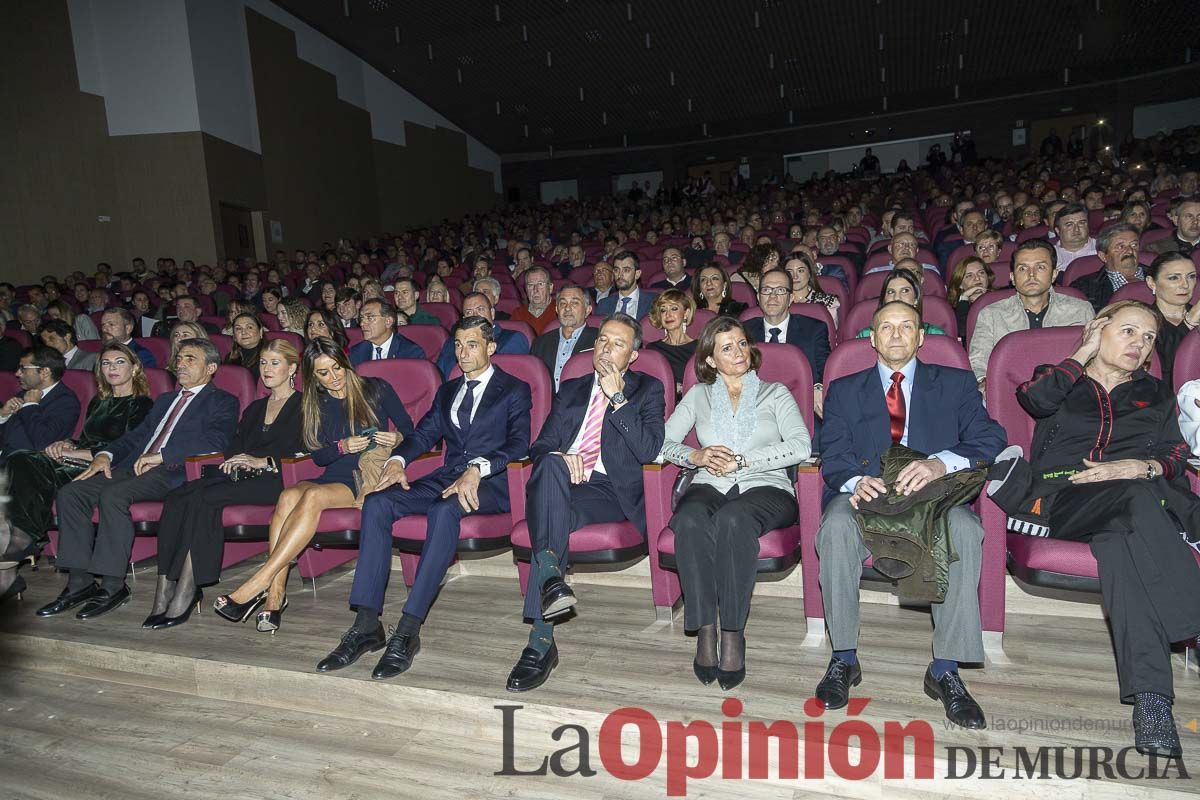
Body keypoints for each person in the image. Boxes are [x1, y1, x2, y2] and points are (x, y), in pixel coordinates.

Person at [1003, 303, 1200, 758]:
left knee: (1123, 547)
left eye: (1148, 337)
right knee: (1137, 496)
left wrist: (1143, 465)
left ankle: (1152, 705)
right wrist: (1082, 353)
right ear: (1099, 330)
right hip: (1066, 500)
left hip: (1132, 509)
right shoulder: (1060, 379)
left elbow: (1175, 454)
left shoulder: (1155, 392)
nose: (1139, 343)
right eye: (1128, 330)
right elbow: (1034, 401)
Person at [815, 300, 1006, 727]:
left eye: (906, 327)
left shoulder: (955, 384)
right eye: (886, 327)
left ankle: (945, 669)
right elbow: (833, 455)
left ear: (922, 337)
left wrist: (941, 463)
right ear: (872, 338)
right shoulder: (846, 389)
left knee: (965, 528)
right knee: (836, 526)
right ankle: (844, 657)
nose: (897, 335)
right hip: (870, 495)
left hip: (935, 498)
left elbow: (990, 436)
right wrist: (853, 481)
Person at [316, 316, 532, 678]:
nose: (463, 353)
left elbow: (519, 443)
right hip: (445, 475)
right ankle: (367, 623)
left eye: (472, 345)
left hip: (489, 483)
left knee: (446, 510)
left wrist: (477, 469)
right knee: (378, 501)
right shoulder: (448, 390)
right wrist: (398, 461)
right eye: (458, 345)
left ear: (491, 348)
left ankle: (408, 629)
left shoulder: (514, 388)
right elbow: (423, 433)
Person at [505, 315, 666, 692]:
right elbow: (541, 446)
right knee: (548, 465)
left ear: (634, 356)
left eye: (618, 344)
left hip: (610, 492)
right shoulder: (572, 388)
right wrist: (563, 457)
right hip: (561, 483)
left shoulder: (648, 389)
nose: (606, 349)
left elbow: (649, 450)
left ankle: (539, 634)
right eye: (602, 341)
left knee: (549, 517)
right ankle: (548, 599)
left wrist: (618, 398)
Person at [212, 338, 413, 626]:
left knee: (312, 497)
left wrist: (397, 438)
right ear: (313, 376)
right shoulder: (314, 402)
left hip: (365, 478)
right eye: (323, 373)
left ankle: (257, 583)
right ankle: (275, 594)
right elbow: (318, 456)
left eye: (336, 368)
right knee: (288, 497)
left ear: (345, 363)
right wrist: (342, 447)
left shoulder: (376, 388)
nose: (333, 378)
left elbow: (411, 432)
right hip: (334, 475)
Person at [38, 339, 238, 620]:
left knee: (113, 496)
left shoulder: (223, 401)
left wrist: (163, 456)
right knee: (72, 493)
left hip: (174, 472)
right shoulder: (167, 399)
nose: (180, 364)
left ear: (211, 367)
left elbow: (217, 440)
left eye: (190, 359)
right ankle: (79, 582)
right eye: (179, 358)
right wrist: (106, 454)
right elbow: (135, 437)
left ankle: (112, 585)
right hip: (136, 466)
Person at [660, 317, 810, 689]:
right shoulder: (697, 396)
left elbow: (801, 446)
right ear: (710, 360)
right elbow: (661, 443)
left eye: (742, 344)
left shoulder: (775, 393)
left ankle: (732, 633)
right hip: (710, 483)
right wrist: (696, 457)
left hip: (767, 487)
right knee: (690, 518)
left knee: (732, 518)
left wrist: (746, 460)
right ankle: (705, 628)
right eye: (727, 347)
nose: (739, 352)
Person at [149, 339, 303, 631]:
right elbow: (234, 444)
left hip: (278, 478)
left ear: (292, 368)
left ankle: (188, 587)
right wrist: (236, 459)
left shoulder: (305, 404)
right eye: (263, 363)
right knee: (179, 496)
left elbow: (306, 451)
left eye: (274, 363)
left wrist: (262, 461)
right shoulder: (256, 407)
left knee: (206, 499)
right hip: (242, 476)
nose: (266, 369)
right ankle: (165, 586)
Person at [969, 239, 1095, 387]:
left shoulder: (1080, 310)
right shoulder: (991, 314)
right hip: (1009, 389)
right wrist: (984, 384)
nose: (1031, 275)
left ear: (1054, 274)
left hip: (1072, 390)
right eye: (1022, 269)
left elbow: (1095, 359)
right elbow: (978, 361)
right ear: (1012, 278)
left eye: (1040, 267)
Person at [742, 269, 830, 415]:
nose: (772, 296)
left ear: (790, 298)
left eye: (780, 290)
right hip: (754, 408)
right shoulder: (743, 331)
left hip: (802, 405)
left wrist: (818, 387)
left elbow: (825, 367)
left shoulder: (814, 329)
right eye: (766, 290)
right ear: (758, 297)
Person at [0, 346, 81, 468]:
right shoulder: (23, 393)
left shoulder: (66, 402)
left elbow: (42, 441)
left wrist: (30, 405)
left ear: (45, 372)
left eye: (23, 369)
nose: (17, 373)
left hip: (25, 467)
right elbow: (7, 435)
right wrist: (3, 415)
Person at [434, 292, 528, 378]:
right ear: (464, 318)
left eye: (480, 309)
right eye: (469, 312)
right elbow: (438, 377)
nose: (475, 315)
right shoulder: (451, 343)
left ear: (492, 313)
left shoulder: (512, 338)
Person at [1146, 252, 1199, 389]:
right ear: (1152, 283)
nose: (1185, 285)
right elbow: (1169, 368)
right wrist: (1189, 322)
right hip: (1166, 397)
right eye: (1174, 278)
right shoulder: (1143, 322)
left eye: (1191, 277)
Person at [530, 285, 598, 391]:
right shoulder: (540, 343)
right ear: (557, 309)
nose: (567, 308)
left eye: (574, 303)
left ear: (588, 310)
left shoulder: (600, 341)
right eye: (562, 303)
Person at [854, 267, 947, 339]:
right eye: (891, 292)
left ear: (915, 299)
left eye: (905, 291)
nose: (897, 297)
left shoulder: (935, 334)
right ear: (884, 300)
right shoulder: (866, 335)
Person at [1069, 223, 1143, 311]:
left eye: (1134, 245)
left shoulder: (1158, 275)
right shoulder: (1084, 287)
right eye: (1121, 246)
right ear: (1103, 256)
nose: (1130, 250)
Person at [647, 289, 697, 398]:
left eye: (674, 309)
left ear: (686, 313)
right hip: (660, 402)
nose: (668, 315)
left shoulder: (699, 348)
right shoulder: (653, 349)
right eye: (663, 310)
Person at [348, 299, 423, 366]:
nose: (362, 324)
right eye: (361, 318)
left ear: (388, 321)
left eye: (370, 318)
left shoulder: (411, 353)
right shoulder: (356, 352)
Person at [595, 251, 658, 320]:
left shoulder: (654, 301)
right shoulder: (603, 304)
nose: (620, 275)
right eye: (616, 270)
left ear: (637, 274)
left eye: (626, 270)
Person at [782, 252, 840, 324]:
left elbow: (829, 332)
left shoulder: (827, 302)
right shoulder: (779, 301)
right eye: (790, 272)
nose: (795, 276)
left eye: (800, 271)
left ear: (809, 273)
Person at [946, 256, 994, 340]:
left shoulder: (1002, 298)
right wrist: (964, 298)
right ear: (960, 283)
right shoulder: (953, 311)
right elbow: (963, 333)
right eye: (969, 275)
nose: (977, 278)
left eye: (981, 273)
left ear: (988, 277)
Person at [1052, 202, 1097, 276]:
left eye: (1081, 223)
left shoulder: (1103, 249)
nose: (1076, 229)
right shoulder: (1049, 256)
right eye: (1069, 224)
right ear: (1058, 231)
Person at [225, 312, 266, 380]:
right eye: (238, 329)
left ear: (261, 332)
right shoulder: (229, 358)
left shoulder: (269, 358)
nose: (244, 332)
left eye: (249, 327)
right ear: (234, 336)